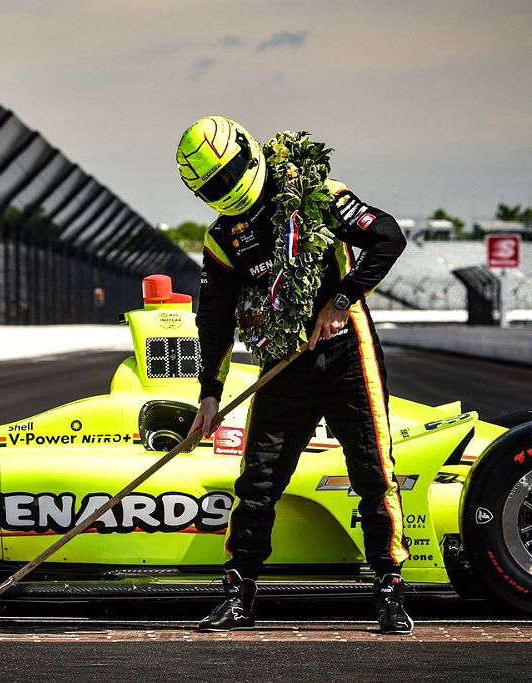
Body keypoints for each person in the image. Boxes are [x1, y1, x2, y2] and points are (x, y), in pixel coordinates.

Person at [176, 115, 412, 634]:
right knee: (257, 482)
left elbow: (389, 238)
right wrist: (209, 396)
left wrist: (341, 300)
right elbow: (213, 319)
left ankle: (390, 591)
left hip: (349, 354)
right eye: (211, 186)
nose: (225, 188)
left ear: (247, 152)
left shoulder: (314, 191)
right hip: (284, 364)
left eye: (227, 174)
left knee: (373, 474)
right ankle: (238, 595)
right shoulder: (222, 240)